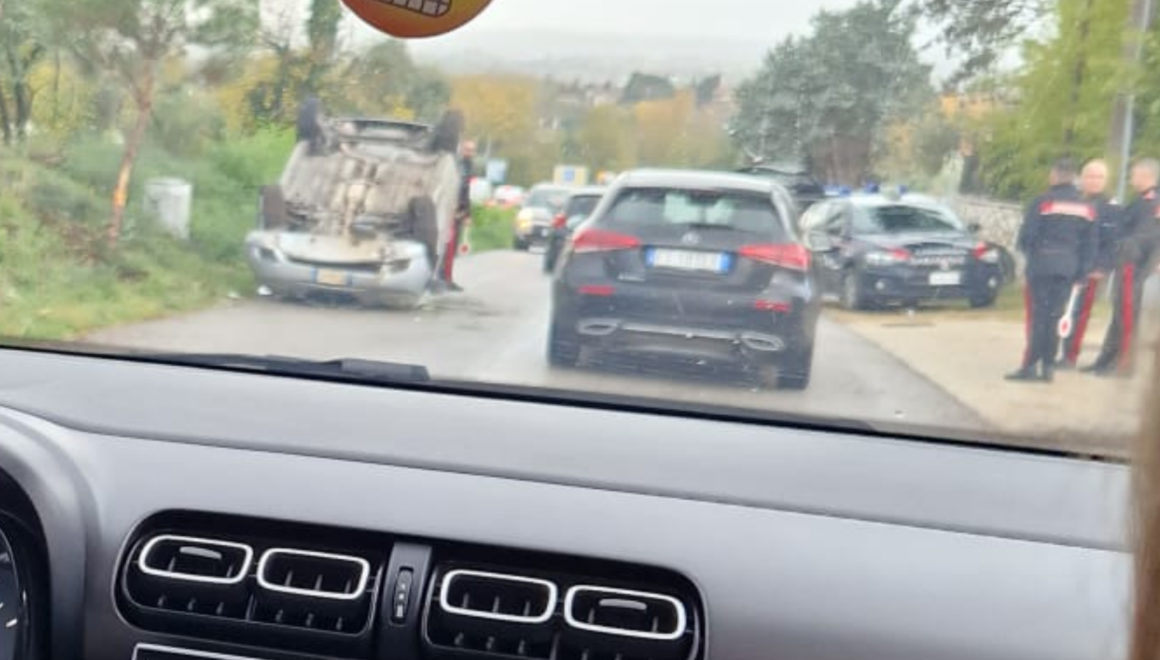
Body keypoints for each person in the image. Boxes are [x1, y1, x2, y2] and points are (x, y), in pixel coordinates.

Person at [1006, 158, 1097, 383]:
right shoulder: (1086, 208)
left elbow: (1027, 237)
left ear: (1054, 175)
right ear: (1074, 177)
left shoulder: (1042, 202)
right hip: (1068, 269)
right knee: (1056, 316)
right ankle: (1048, 367)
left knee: (1039, 317)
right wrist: (1082, 273)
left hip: (1041, 266)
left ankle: (1030, 365)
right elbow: (1090, 244)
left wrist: (1033, 257)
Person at [1083, 158, 1160, 376]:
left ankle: (1123, 365)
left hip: (1134, 265)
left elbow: (1146, 236)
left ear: (1145, 176)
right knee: (1119, 313)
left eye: (1134, 175)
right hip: (1127, 263)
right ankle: (1106, 360)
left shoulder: (1152, 203)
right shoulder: (1140, 201)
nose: (1131, 179)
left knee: (1128, 316)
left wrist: (1124, 248)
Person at [1058, 159, 1121, 368]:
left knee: (1079, 312)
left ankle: (1070, 356)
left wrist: (1102, 267)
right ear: (1082, 178)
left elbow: (1112, 242)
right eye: (1091, 176)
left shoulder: (1111, 208)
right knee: (1057, 310)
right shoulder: (1072, 201)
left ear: (1106, 180)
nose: (1095, 181)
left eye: (1100, 177)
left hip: (1090, 269)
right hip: (1066, 264)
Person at [438, 140, 476, 292]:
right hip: (449, 209)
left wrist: (466, 213)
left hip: (458, 211)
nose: (469, 153)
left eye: (472, 150)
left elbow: (466, 192)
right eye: (467, 149)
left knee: (452, 248)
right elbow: (454, 188)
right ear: (461, 149)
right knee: (447, 246)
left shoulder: (468, 166)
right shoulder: (457, 165)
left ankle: (446, 277)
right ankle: (443, 278)